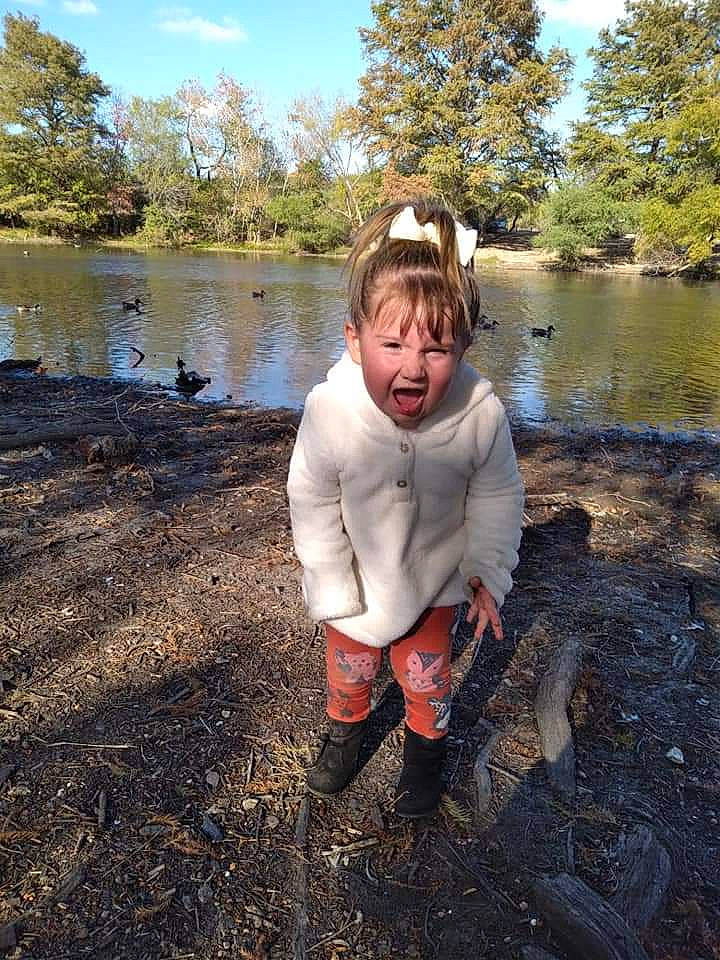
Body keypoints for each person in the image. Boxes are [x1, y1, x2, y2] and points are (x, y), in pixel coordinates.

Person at [286, 200, 524, 817]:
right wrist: (331, 578)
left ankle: (424, 754)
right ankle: (346, 732)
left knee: (426, 676)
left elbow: (499, 495)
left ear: (466, 346)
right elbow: (310, 496)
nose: (412, 369)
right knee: (350, 670)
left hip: (435, 584)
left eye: (437, 350)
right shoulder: (330, 410)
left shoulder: (481, 416)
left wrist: (485, 569)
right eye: (391, 343)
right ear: (355, 340)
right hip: (356, 583)